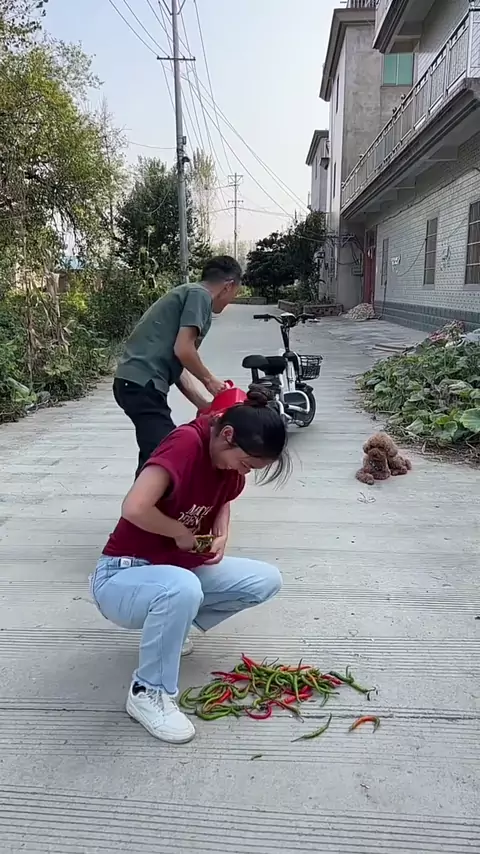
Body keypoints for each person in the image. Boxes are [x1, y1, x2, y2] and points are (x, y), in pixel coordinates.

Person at [90, 388, 289, 744]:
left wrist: (222, 533)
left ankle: (172, 629)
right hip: (122, 575)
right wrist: (179, 532)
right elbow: (134, 507)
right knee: (181, 587)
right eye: (246, 464)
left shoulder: (226, 462)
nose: (244, 472)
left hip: (177, 571)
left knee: (265, 580)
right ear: (227, 435)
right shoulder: (186, 443)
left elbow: (224, 498)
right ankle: (147, 692)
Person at [113, 255, 242, 475]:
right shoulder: (200, 295)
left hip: (136, 383)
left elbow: (179, 359)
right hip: (141, 384)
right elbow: (184, 350)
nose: (231, 300)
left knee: (157, 452)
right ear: (228, 286)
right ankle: (144, 497)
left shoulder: (191, 293)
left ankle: (146, 495)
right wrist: (210, 380)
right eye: (234, 294)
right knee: (166, 453)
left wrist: (203, 404)